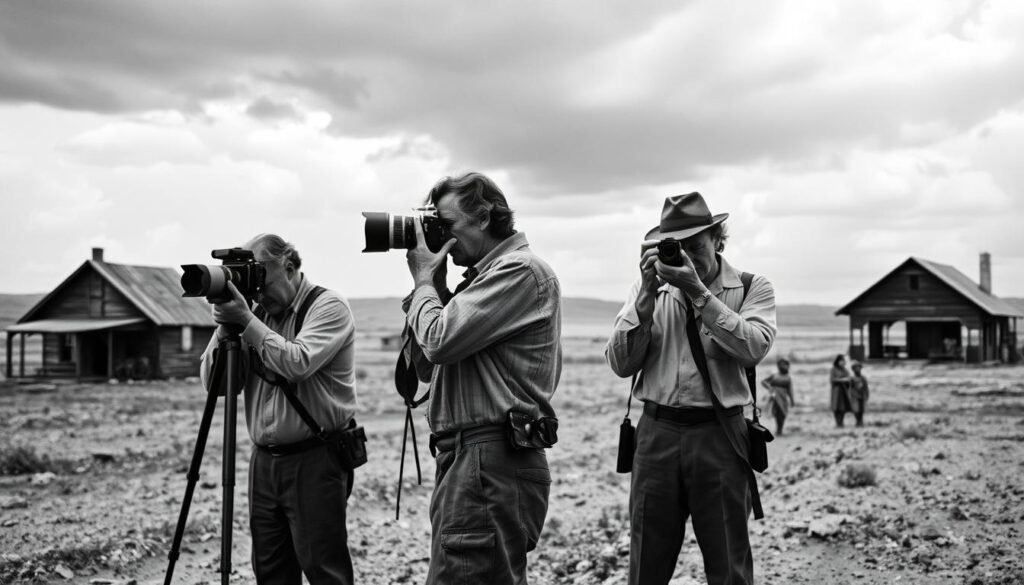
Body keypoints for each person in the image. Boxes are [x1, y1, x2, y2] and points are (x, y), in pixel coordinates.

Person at [606, 192, 777, 585]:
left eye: (694, 245)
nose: (683, 255)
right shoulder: (646, 288)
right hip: (656, 433)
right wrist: (648, 294)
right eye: (674, 247)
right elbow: (620, 363)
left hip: (720, 432)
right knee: (646, 559)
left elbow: (753, 348)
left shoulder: (752, 287)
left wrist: (699, 293)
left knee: (728, 560)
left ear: (718, 239)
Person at [402, 172, 561, 585]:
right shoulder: (479, 281)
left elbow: (437, 340)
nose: (439, 237)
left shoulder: (519, 272)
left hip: (489, 457)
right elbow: (425, 367)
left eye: (446, 226)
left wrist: (423, 283)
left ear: (485, 218)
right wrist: (433, 286)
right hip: (469, 459)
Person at [199, 234, 359, 585]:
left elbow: (297, 363)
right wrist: (228, 326)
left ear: (289, 268)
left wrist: (247, 321)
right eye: (250, 284)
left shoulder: (327, 306)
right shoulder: (252, 313)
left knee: (324, 569)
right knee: (271, 572)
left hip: (316, 457)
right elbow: (216, 383)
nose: (257, 294)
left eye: (262, 282)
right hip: (265, 461)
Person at [762, 357, 794, 436]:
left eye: (786, 365)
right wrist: (770, 388)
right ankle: (779, 429)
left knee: (783, 413)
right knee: (777, 413)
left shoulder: (788, 378)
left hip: (783, 398)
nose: (784, 366)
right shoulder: (775, 376)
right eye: (782, 365)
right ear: (779, 366)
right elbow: (764, 382)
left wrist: (792, 400)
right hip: (775, 397)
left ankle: (780, 428)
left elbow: (790, 390)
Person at [830, 354, 853, 428]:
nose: (842, 362)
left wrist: (845, 381)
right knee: (836, 407)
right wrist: (842, 380)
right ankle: (837, 422)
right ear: (837, 361)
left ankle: (841, 422)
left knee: (843, 407)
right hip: (836, 391)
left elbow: (849, 379)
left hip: (844, 391)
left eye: (843, 361)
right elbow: (832, 380)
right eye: (841, 361)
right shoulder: (833, 369)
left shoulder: (845, 370)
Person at [849, 360, 870, 427]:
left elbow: (866, 387)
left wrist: (866, 395)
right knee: (856, 409)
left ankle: (860, 421)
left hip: (862, 396)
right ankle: (857, 421)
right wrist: (851, 395)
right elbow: (850, 388)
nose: (857, 370)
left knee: (861, 410)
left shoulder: (863, 378)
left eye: (858, 368)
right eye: (855, 368)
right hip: (855, 396)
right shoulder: (852, 379)